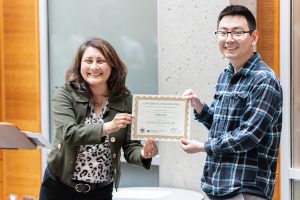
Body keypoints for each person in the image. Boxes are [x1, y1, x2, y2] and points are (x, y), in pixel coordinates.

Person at [180, 5, 282, 200]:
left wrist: (203, 146)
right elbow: (222, 128)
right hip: (217, 184)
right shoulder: (225, 76)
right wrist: (200, 107)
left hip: (246, 188)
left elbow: (249, 135)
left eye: (237, 33)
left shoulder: (264, 79)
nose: (229, 39)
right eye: (223, 32)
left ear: (254, 37)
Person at [39, 37, 158, 200]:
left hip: (100, 192)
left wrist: (144, 153)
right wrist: (109, 126)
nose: (94, 67)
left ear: (112, 66)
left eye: (100, 61)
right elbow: (69, 133)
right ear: (80, 65)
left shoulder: (125, 100)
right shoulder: (65, 93)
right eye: (88, 61)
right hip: (58, 188)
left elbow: (130, 147)